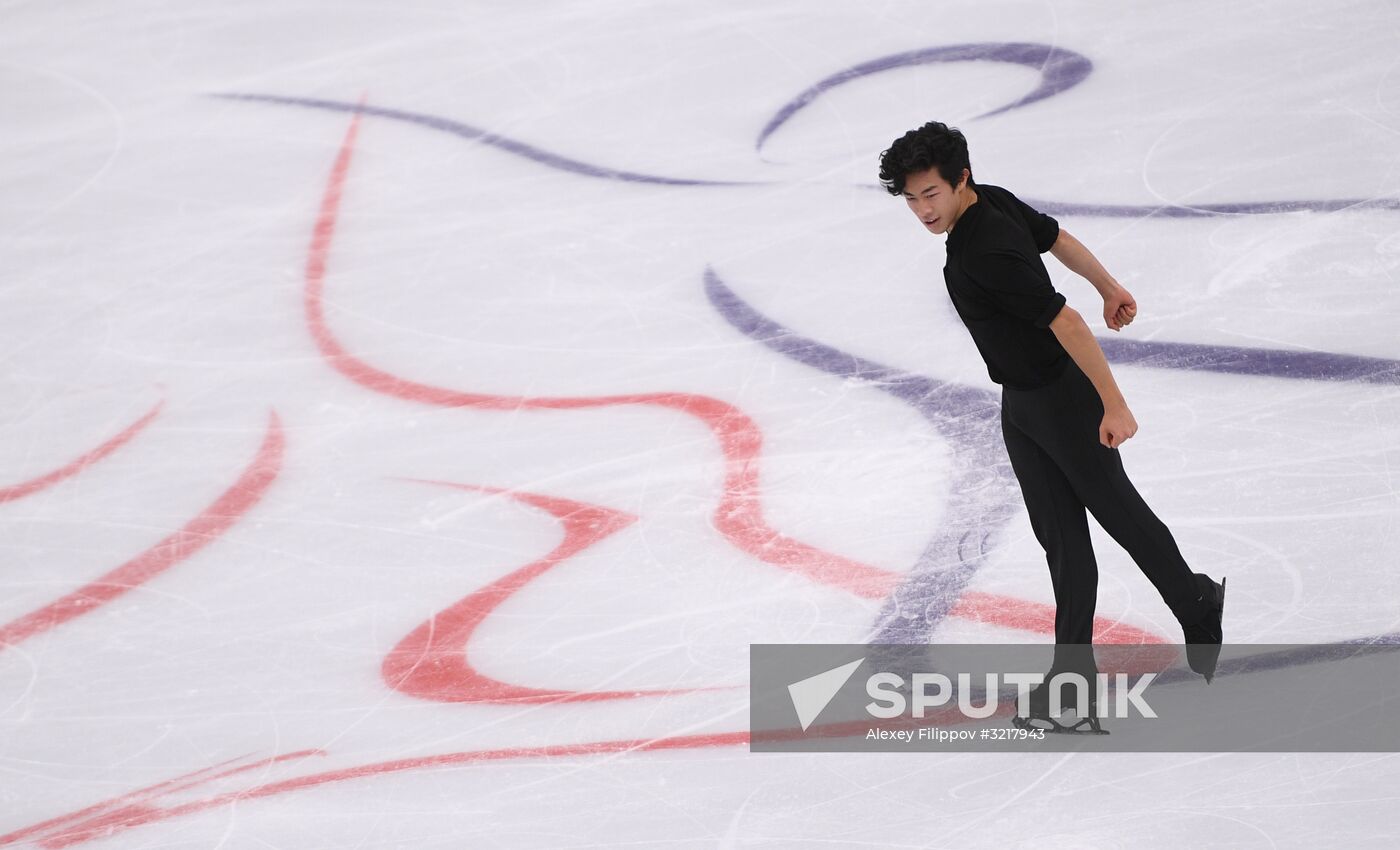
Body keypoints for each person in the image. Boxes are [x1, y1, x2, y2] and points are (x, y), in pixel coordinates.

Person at [878, 121, 1226, 728]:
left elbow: (1064, 322)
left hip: (1063, 399)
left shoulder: (985, 248)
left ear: (961, 180)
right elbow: (1057, 238)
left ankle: (1196, 602)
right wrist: (1109, 284)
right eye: (910, 199)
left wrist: (1113, 403)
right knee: (1060, 541)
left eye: (930, 194)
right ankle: (1075, 678)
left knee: (1119, 514)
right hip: (1023, 403)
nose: (921, 210)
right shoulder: (989, 202)